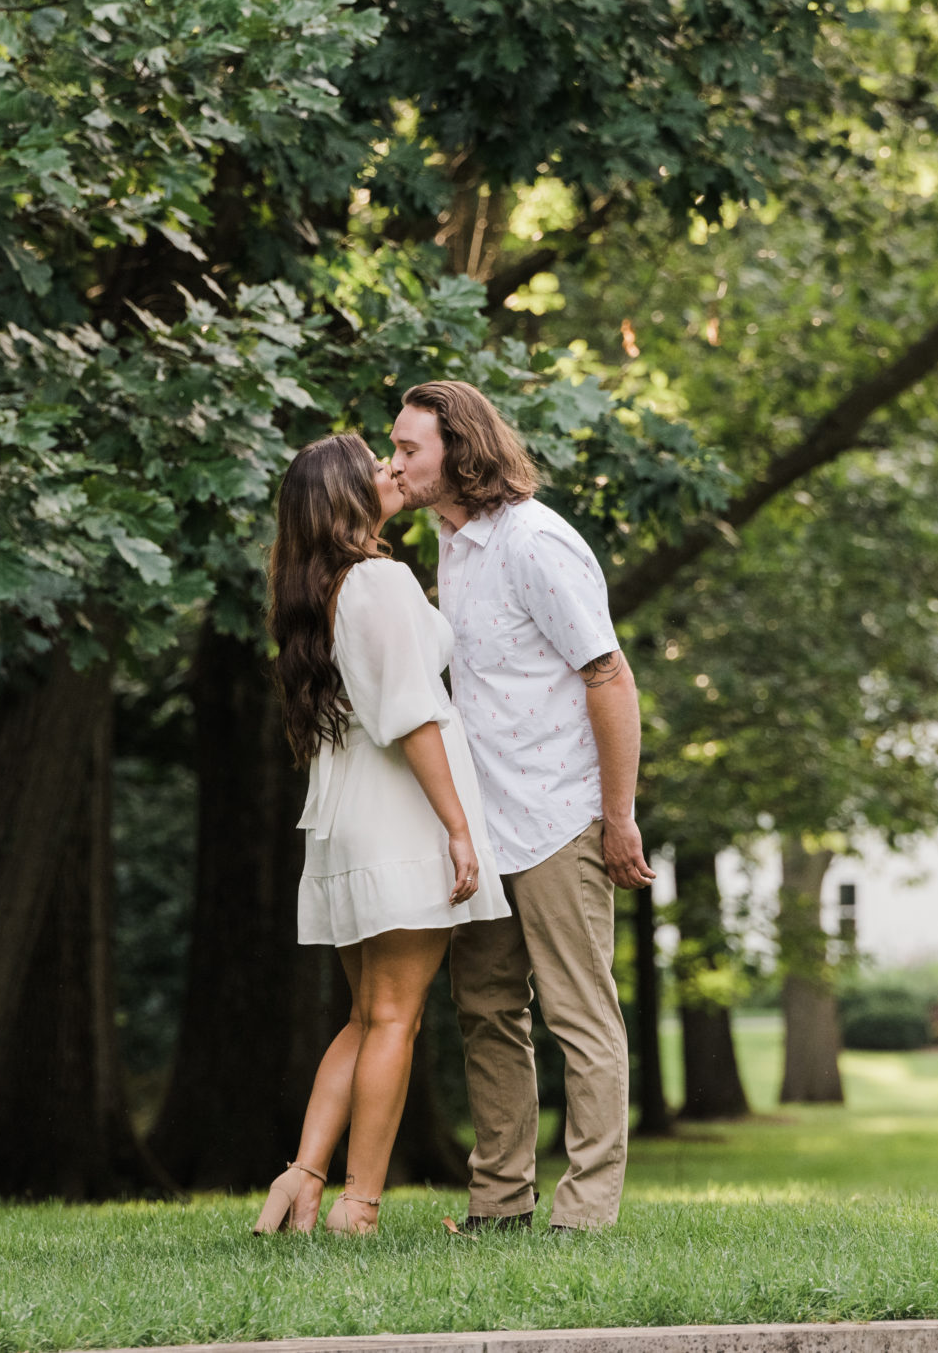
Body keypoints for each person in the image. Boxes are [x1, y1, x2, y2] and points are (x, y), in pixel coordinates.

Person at [390, 379, 653, 1235]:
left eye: (408, 450)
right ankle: (500, 1201)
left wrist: (617, 816)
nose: (395, 463)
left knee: (581, 1014)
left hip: (559, 816)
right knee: (487, 1012)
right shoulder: (452, 544)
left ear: (458, 452)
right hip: (486, 824)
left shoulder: (537, 543)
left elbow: (609, 676)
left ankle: (586, 1211)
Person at [250, 433, 510, 1237]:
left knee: (368, 1015)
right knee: (395, 1016)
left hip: (344, 823)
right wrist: (460, 830)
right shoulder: (379, 581)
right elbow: (413, 716)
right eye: (374, 467)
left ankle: (300, 1180)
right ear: (344, 501)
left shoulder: (322, 591)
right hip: (398, 820)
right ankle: (358, 1205)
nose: (391, 470)